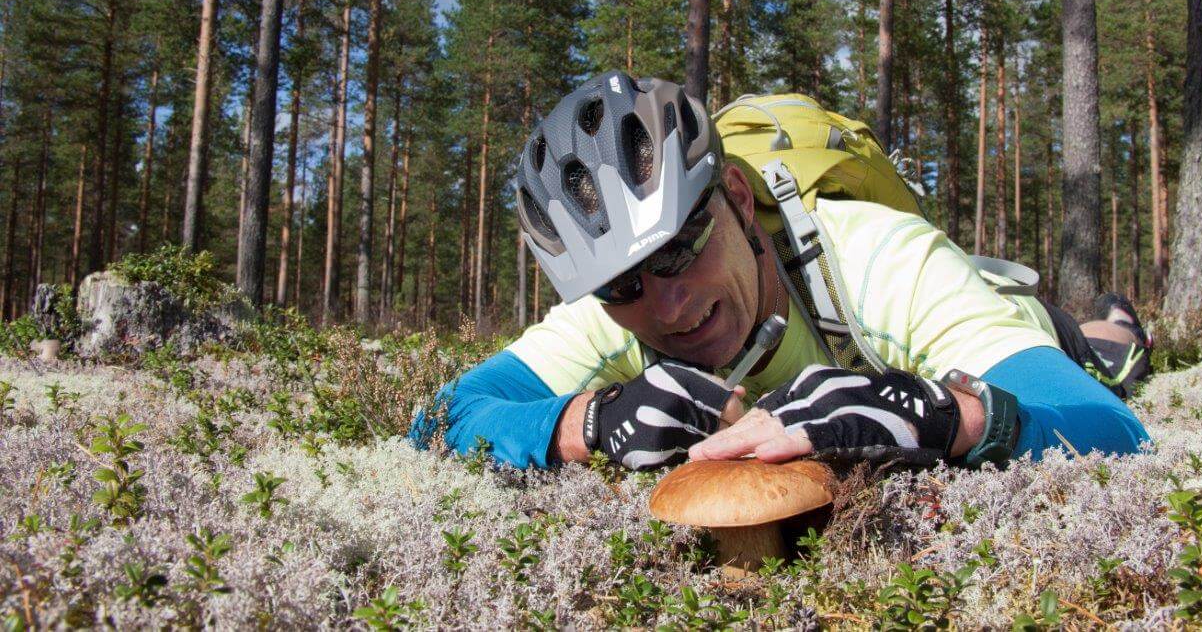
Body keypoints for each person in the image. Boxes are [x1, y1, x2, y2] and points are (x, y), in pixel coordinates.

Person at [409, 73, 1149, 470]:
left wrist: (949, 417)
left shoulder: (879, 259)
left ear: (735, 197)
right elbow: (438, 421)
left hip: (993, 321)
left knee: (1097, 354)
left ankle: (1110, 323)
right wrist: (585, 422)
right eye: (624, 286)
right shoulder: (614, 316)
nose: (666, 304)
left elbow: (1112, 430)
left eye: (679, 250)